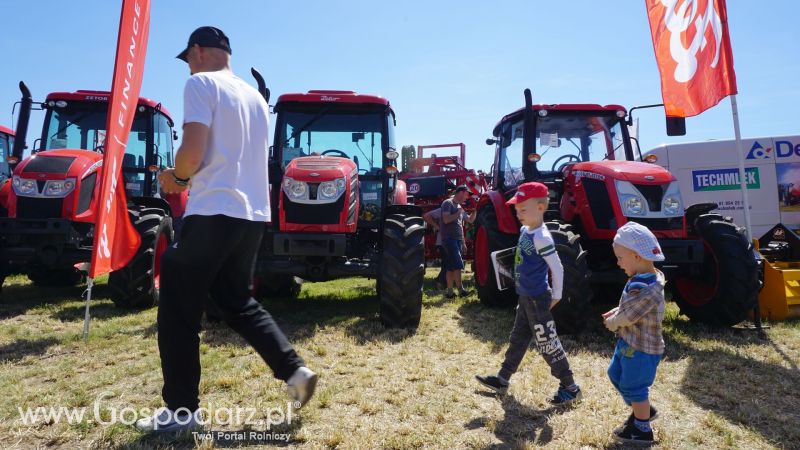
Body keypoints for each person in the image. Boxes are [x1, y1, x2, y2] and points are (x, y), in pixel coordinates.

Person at [136, 26, 316, 433]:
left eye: (188, 59)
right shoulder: (254, 96)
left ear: (197, 52)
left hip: (212, 208)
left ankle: (181, 412)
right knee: (236, 301)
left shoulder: (201, 85)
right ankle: (295, 372)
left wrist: (176, 177)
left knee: (178, 307)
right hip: (251, 215)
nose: (188, 67)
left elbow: (194, 151)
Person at [475, 182, 581, 405]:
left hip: (537, 298)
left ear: (541, 207)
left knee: (547, 342)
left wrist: (558, 295)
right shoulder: (525, 230)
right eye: (516, 209)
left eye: (524, 209)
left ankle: (570, 386)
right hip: (525, 297)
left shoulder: (542, 237)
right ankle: (502, 379)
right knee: (518, 338)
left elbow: (557, 267)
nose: (518, 213)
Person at [603, 221, 666, 445]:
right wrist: (617, 311)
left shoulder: (646, 289)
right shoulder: (641, 280)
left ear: (637, 256)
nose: (618, 263)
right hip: (629, 343)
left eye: (620, 257)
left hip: (641, 349)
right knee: (615, 374)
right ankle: (644, 410)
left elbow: (628, 316)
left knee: (634, 387)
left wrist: (613, 322)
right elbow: (630, 308)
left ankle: (642, 429)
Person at [440, 186, 476, 298]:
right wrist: (458, 213)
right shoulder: (448, 203)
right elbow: (446, 220)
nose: (467, 197)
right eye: (466, 194)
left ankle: (450, 292)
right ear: (460, 193)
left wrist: (475, 210)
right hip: (449, 239)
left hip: (457, 240)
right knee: (458, 264)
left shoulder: (460, 207)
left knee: (451, 267)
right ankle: (461, 290)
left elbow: (469, 220)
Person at [422, 207, 447, 289]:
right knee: (448, 262)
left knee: (448, 263)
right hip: (443, 242)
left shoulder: (459, 209)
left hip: (452, 241)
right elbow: (426, 216)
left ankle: (440, 281)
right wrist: (438, 227)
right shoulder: (444, 209)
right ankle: (440, 282)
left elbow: (469, 220)